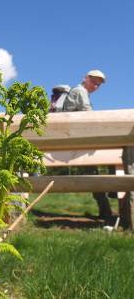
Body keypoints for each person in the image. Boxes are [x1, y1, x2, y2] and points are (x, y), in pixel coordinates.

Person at [62, 70, 113, 217]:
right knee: (114, 151)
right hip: (76, 139)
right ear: (86, 78)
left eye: (98, 84)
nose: (96, 86)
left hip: (71, 138)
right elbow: (88, 114)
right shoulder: (80, 91)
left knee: (93, 170)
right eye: (94, 82)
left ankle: (106, 209)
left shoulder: (77, 91)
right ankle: (113, 192)